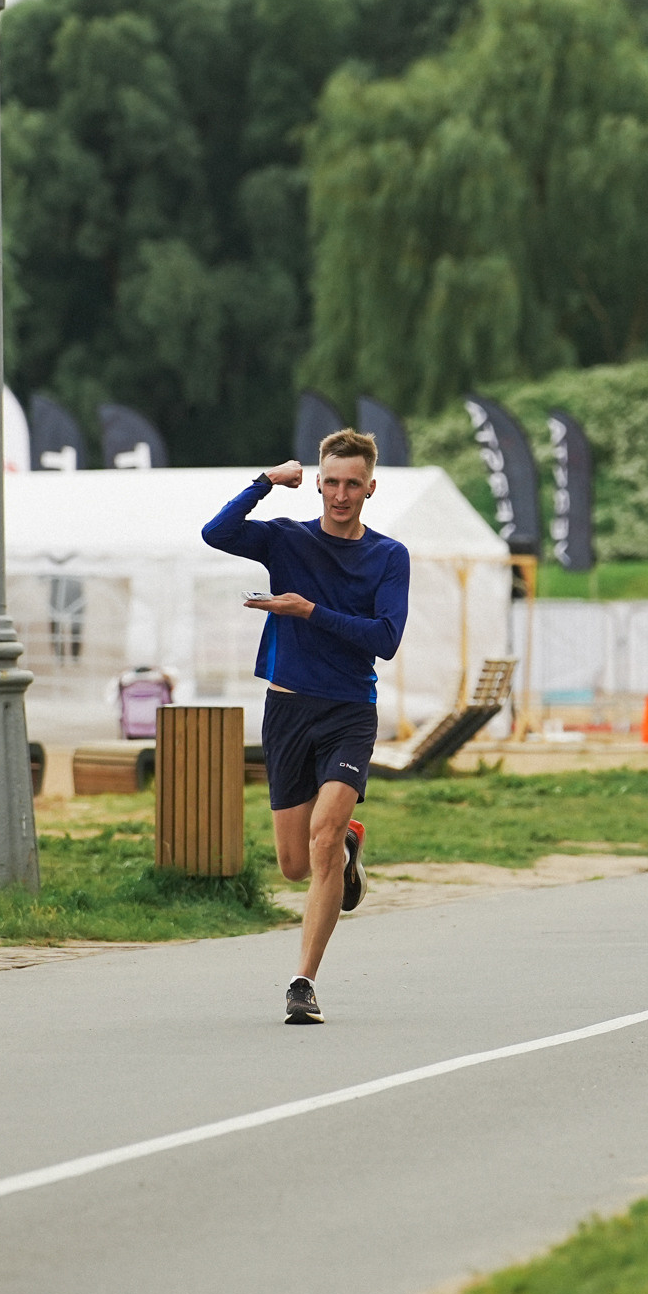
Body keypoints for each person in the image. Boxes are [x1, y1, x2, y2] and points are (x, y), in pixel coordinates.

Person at [201, 430, 410, 1025]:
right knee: (295, 864)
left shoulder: (389, 556)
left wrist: (308, 611)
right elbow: (216, 533)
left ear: (371, 487)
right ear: (317, 482)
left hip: (348, 711)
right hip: (287, 710)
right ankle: (347, 847)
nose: (342, 494)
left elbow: (385, 640)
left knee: (320, 839)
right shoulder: (288, 541)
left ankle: (302, 983)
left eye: (353, 483)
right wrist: (265, 482)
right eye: (332, 481)